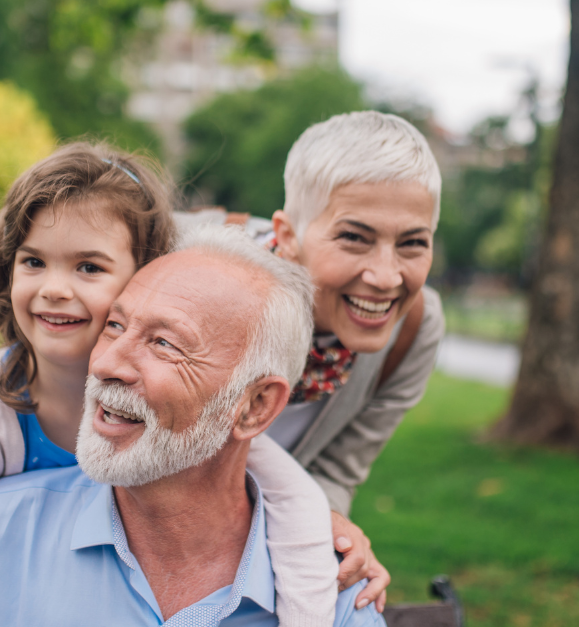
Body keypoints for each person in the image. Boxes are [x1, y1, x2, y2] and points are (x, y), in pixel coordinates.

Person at [0, 226, 383, 627]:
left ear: (254, 408)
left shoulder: (335, 595)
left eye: (165, 344)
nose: (109, 362)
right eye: (113, 326)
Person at [0, 144, 338, 627]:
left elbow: (295, 503)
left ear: (149, 275)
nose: (54, 288)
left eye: (88, 267)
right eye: (33, 261)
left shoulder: (196, 414)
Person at [185, 111, 446, 613]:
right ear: (286, 235)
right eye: (355, 237)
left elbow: (336, 470)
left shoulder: (414, 331)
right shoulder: (192, 266)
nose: (387, 277)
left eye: (413, 242)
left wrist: (332, 532)